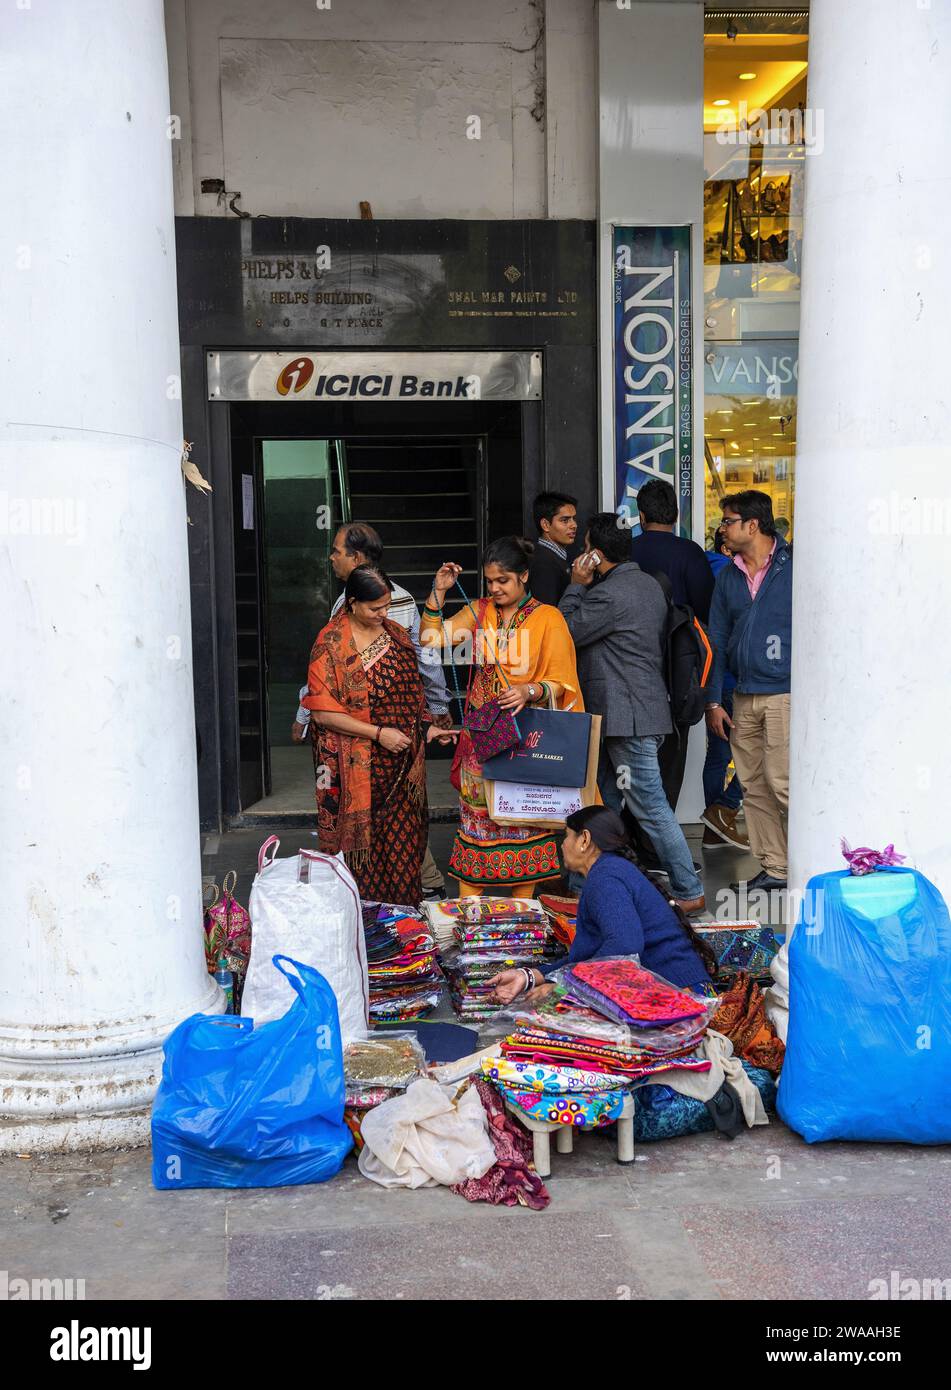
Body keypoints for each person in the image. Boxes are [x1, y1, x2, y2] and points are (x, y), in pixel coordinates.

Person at [292, 521, 453, 899]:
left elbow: (413, 690)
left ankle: (405, 924)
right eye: (375, 608)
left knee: (403, 846)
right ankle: (366, 925)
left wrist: (426, 727)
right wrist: (379, 734)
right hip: (354, 769)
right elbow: (322, 712)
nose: (384, 613)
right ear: (352, 605)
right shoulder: (330, 644)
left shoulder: (395, 635)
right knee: (363, 854)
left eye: (386, 606)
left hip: (400, 762)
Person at [419, 536, 584, 896]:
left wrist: (530, 690)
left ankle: (522, 912)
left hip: (526, 739)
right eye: (490, 581)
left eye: (503, 581)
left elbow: (563, 682)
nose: (494, 588)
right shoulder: (480, 611)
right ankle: (470, 914)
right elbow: (432, 639)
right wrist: (439, 591)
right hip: (482, 740)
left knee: (523, 825)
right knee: (476, 825)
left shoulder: (548, 618)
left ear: (523, 576)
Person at [559, 513, 705, 914]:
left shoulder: (611, 594)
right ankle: (580, 884)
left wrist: (575, 586)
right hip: (627, 715)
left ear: (596, 554)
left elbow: (565, 631)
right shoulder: (647, 583)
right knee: (601, 802)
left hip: (628, 718)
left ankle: (689, 889)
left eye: (586, 548)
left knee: (651, 807)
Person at [487, 806, 716, 1004]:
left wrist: (565, 986)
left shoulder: (606, 878)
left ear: (584, 840)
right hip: (675, 990)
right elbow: (592, 958)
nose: (563, 845)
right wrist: (529, 976)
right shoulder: (610, 871)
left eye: (567, 836)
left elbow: (625, 946)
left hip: (679, 996)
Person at [706, 490, 792, 893]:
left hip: (784, 692)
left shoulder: (793, 567)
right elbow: (717, 639)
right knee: (753, 785)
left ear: (752, 525)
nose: (722, 527)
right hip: (742, 694)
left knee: (783, 781)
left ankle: (813, 859)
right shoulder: (728, 575)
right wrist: (712, 700)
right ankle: (776, 868)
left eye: (728, 520)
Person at [629, 478, 717, 814]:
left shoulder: (627, 551)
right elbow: (707, 610)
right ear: (676, 515)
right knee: (671, 763)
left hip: (632, 672)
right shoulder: (690, 553)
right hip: (678, 671)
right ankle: (662, 846)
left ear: (641, 515)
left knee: (630, 765)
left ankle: (637, 843)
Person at [700, 531, 748, 851]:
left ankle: (714, 826)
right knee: (757, 757)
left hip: (721, 682)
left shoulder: (709, 571)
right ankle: (723, 811)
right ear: (725, 548)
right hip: (738, 683)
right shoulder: (728, 572)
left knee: (719, 757)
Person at [527, 491, 578, 606]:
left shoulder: (551, 556)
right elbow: (545, 613)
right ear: (545, 524)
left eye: (573, 519)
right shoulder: (543, 562)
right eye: (565, 520)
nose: (574, 525)